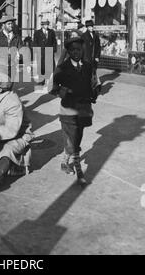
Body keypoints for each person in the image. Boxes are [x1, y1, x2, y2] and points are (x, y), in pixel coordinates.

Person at [51, 37, 95, 186]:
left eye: (78, 49)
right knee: (73, 142)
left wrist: (94, 91)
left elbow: (93, 84)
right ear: (68, 52)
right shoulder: (62, 68)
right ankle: (79, 172)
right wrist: (64, 91)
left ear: (82, 50)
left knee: (76, 140)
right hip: (68, 110)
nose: (76, 52)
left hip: (83, 110)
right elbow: (53, 88)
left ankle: (64, 162)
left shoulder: (88, 66)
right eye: (73, 50)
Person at [0, 14, 22, 80]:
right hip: (1, 66)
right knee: (3, 84)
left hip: (12, 65)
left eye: (12, 23)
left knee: (10, 83)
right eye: (8, 24)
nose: (11, 25)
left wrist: (19, 55)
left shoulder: (17, 37)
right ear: (3, 25)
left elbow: (20, 49)